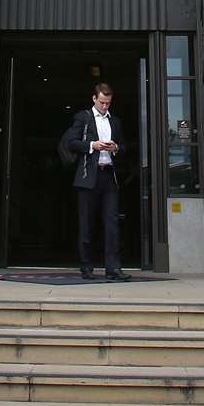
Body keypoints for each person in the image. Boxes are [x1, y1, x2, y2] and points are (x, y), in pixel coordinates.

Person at [60, 82, 129, 282]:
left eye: (108, 103)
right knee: (86, 223)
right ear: (94, 99)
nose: (105, 106)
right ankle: (86, 267)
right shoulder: (83, 117)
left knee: (112, 223)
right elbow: (71, 142)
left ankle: (113, 268)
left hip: (109, 176)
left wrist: (115, 147)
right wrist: (92, 145)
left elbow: (124, 147)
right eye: (102, 102)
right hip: (88, 177)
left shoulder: (115, 121)